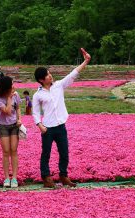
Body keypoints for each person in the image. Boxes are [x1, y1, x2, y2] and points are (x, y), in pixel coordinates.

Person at [32, 48, 91, 188]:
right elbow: (34, 112)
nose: (50, 76)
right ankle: (46, 177)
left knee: (64, 152)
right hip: (47, 128)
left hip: (60, 125)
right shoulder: (37, 95)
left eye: (49, 73)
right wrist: (39, 125)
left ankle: (63, 175)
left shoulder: (58, 86)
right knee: (46, 153)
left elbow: (73, 74)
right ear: (41, 80)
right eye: (47, 75)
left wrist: (86, 61)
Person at [0, 76, 22, 188]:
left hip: (14, 125)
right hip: (3, 126)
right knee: (6, 151)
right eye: (11, 84)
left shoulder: (16, 95)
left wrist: (19, 119)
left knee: (14, 150)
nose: (13, 86)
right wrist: (9, 98)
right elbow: (8, 111)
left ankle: (14, 178)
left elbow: (18, 107)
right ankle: (6, 178)